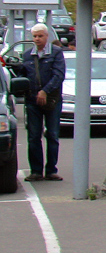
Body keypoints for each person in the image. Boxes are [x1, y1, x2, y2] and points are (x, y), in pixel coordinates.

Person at [17, 23, 67, 182]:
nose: (37, 39)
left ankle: (51, 170)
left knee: (52, 135)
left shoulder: (56, 53)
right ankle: (36, 171)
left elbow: (59, 75)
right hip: (32, 101)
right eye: (35, 36)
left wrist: (45, 91)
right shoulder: (27, 55)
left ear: (47, 36)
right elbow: (23, 76)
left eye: (40, 36)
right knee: (33, 136)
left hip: (52, 100)